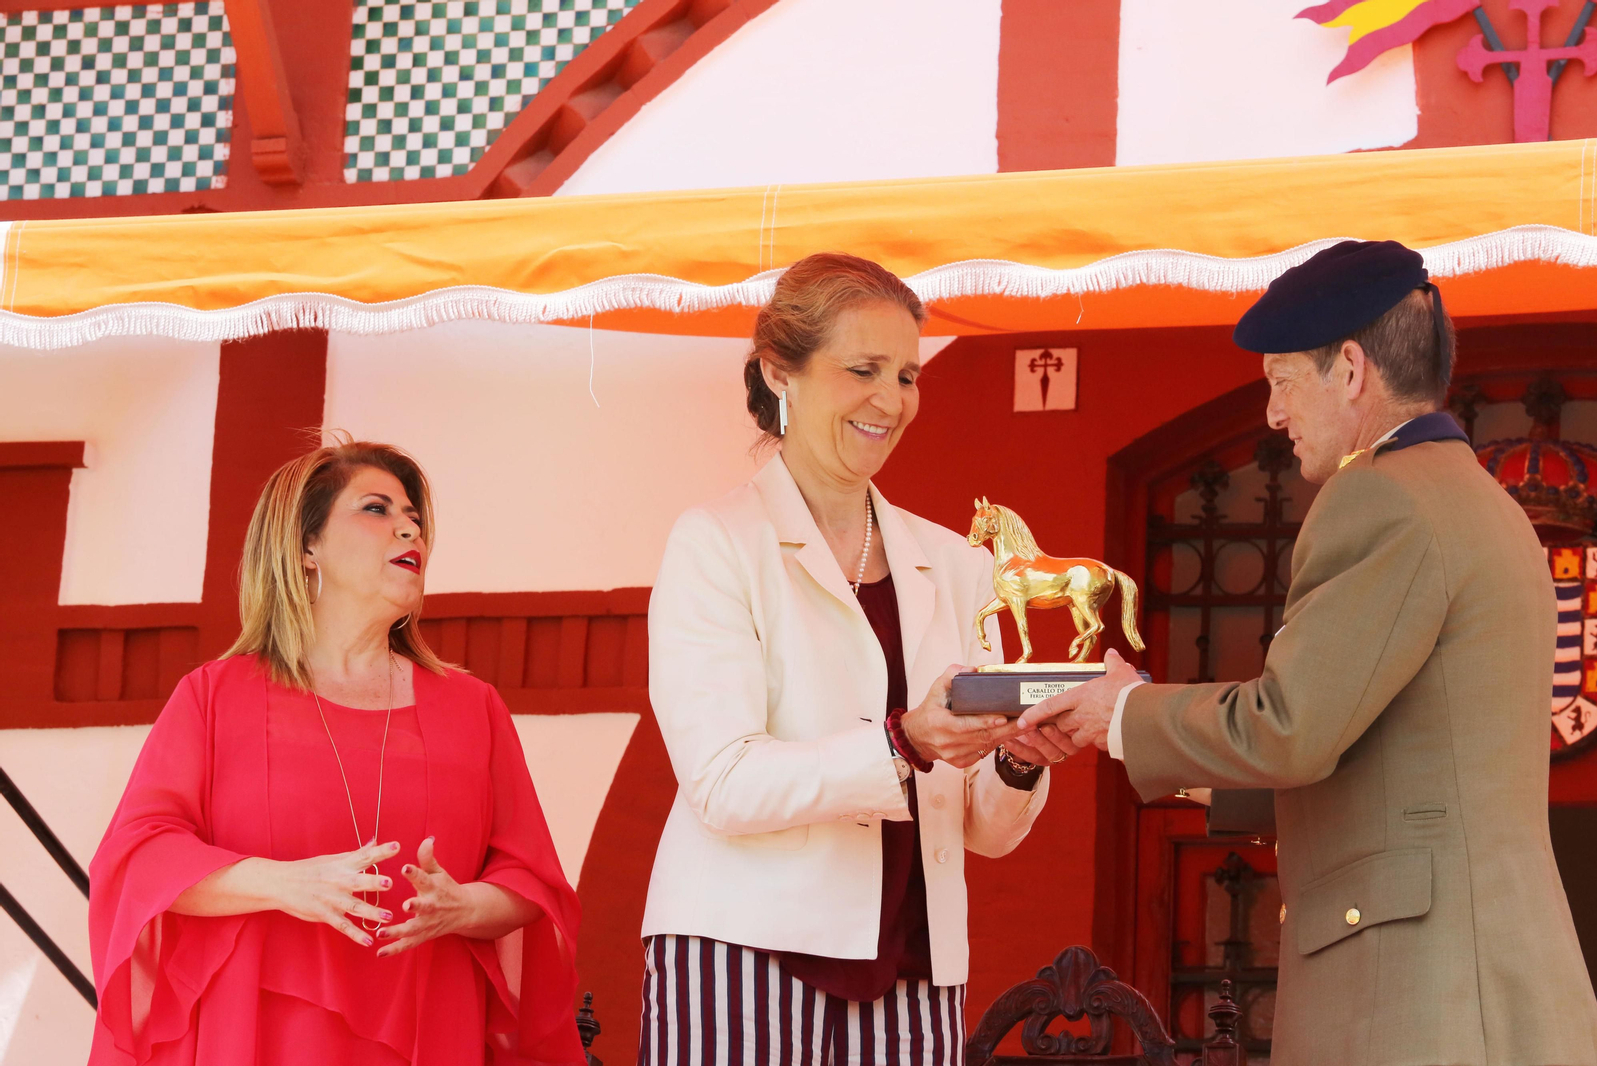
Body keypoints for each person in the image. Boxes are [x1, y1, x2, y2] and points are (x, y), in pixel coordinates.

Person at [1019, 240, 1597, 1065]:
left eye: (1281, 382)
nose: (1272, 415)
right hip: (1476, 982)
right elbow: (1377, 757)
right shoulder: (1477, 499)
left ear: (1351, 370)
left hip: (1414, 995)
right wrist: (1127, 719)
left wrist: (1124, 713)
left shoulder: (1380, 497)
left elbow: (1293, 727)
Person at [641, 252, 1063, 1065]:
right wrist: (905, 743)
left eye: (907, 375)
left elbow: (982, 828)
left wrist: (1018, 759)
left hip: (915, 959)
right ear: (779, 373)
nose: (891, 400)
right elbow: (722, 783)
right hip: (742, 949)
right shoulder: (717, 542)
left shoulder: (958, 563)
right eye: (863, 369)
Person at [87, 440, 584, 1066]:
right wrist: (284, 883)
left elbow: (531, 884)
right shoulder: (215, 696)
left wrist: (463, 906)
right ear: (305, 547)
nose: (409, 526)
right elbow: (139, 856)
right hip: (257, 1034)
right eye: (376, 508)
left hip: (431, 1025)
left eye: (414, 515)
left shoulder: (473, 708)